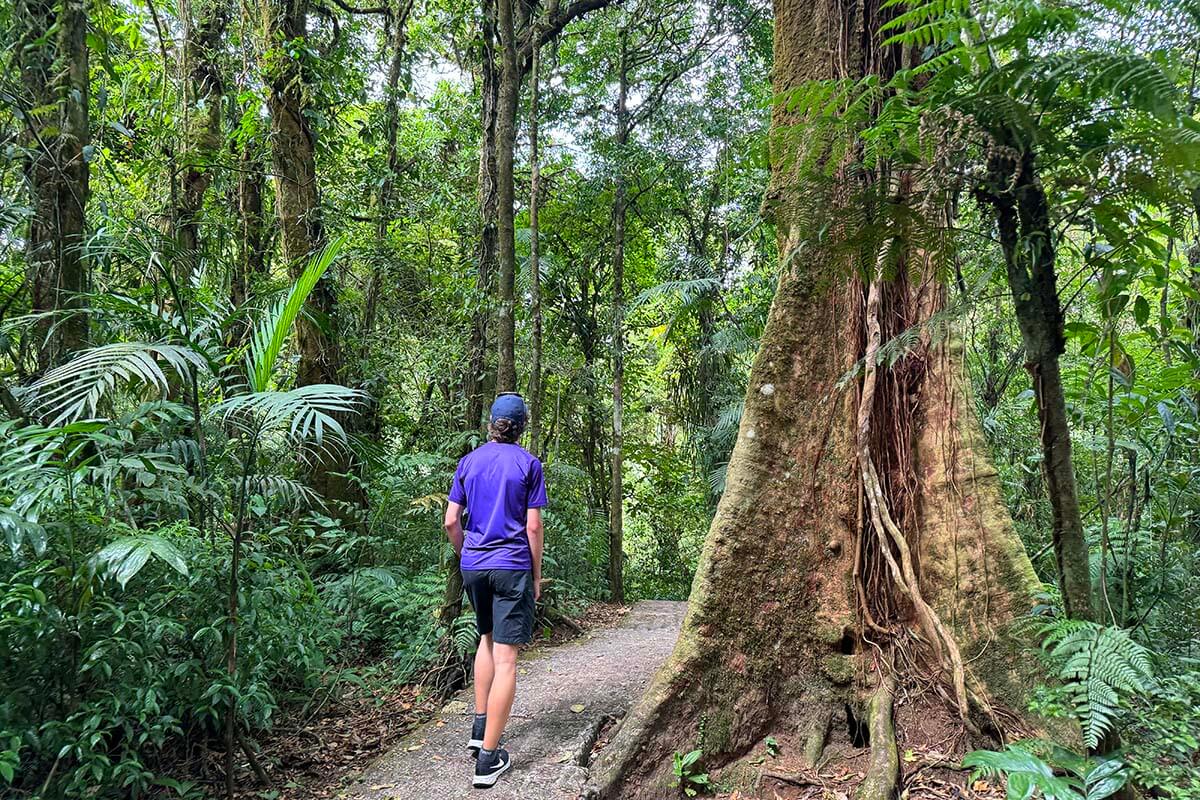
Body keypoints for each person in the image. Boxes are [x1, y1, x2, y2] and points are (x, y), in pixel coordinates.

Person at [443, 393, 547, 789]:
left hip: (474, 566)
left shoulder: (468, 463)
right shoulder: (528, 464)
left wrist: (466, 553)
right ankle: (488, 759)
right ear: (521, 427)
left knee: (484, 639)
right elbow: (533, 527)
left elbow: (452, 521)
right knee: (507, 659)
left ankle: (479, 725)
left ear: (491, 424)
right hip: (512, 567)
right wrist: (535, 577)